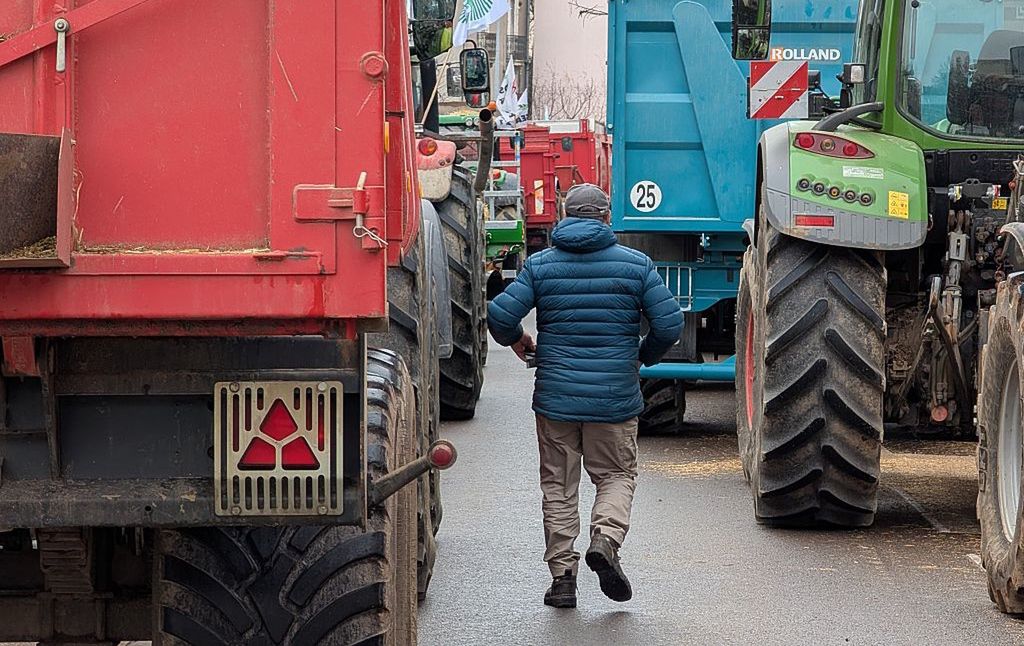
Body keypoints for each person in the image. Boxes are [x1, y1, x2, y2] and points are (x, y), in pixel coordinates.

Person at [487, 183, 684, 608]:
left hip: (556, 399)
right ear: (605, 216)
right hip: (614, 399)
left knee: (558, 487)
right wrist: (639, 357)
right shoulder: (636, 266)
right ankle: (606, 539)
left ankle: (562, 580)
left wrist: (520, 339)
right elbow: (669, 325)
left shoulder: (541, 266)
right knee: (615, 476)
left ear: (565, 214)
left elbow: (499, 314)